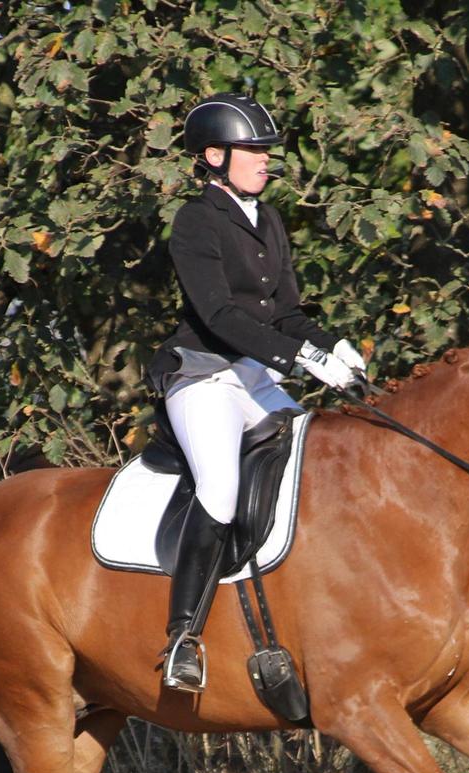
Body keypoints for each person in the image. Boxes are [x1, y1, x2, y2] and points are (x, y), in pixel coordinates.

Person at [146, 92, 367, 693]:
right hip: (202, 377)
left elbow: (286, 312)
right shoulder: (195, 221)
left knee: (319, 465)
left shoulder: (266, 218)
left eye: (267, 150)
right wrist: (302, 359)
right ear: (215, 156)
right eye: (253, 150)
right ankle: (182, 638)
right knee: (220, 489)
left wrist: (335, 346)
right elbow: (218, 315)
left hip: (253, 376)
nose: (266, 159)